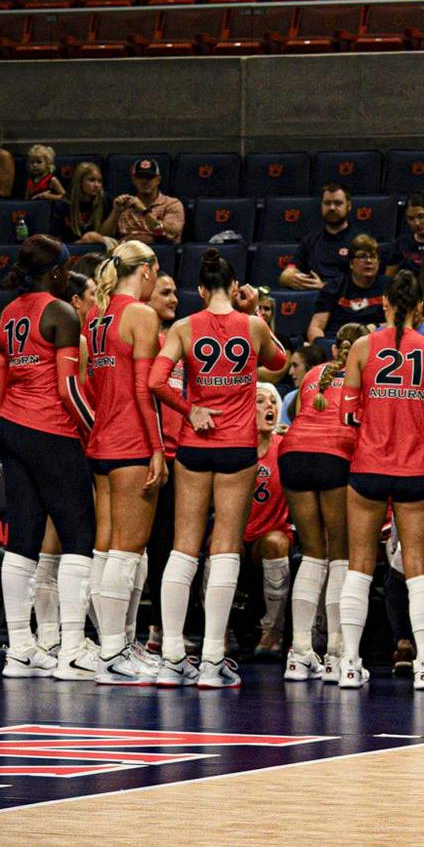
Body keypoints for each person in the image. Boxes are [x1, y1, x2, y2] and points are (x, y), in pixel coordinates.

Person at [150, 251, 286, 689]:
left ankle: (172, 655)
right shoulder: (253, 326)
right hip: (237, 448)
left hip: (194, 444)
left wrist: (190, 410)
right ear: (235, 286)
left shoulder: (184, 327)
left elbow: (154, 381)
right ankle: (212, 659)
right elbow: (280, 361)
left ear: (202, 290)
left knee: (183, 548)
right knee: (225, 547)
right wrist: (252, 311)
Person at [334, 270, 424, 689]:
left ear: (384, 303)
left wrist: (375, 422)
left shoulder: (363, 347)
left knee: (359, 566)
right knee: (418, 569)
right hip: (414, 468)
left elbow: (347, 413)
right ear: (420, 307)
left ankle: (349, 663)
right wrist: (415, 423)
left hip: (368, 465)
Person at [0, 235, 95, 680]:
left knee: (23, 539)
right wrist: (94, 432)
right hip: (52, 430)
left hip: (10, 429)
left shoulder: (5, 314)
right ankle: (72, 650)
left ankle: (20, 649)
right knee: (78, 535)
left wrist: (19, 415)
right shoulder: (61, 312)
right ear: (57, 271)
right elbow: (70, 390)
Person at [81, 240, 167, 684]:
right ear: (148, 271)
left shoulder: (96, 315)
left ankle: (115, 646)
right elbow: (144, 389)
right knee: (128, 550)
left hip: (101, 439)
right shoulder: (141, 314)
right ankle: (115, 651)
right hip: (132, 440)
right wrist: (156, 446)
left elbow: (91, 385)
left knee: (107, 546)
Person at [278, 322, 365, 682]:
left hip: (293, 455)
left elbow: (299, 415)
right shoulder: (367, 378)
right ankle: (336, 654)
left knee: (312, 555)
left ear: (335, 350)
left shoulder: (315, 373)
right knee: (340, 555)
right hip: (335, 455)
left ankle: (298, 655)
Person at [245, 383, 293, 660]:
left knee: (275, 543)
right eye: (260, 401)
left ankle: (273, 631)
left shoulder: (285, 446)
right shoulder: (237, 446)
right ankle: (219, 632)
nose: (269, 407)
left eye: (273, 402)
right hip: (237, 533)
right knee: (218, 545)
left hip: (272, 531)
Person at [307, 233, 387, 341]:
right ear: (351, 263)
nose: (368, 261)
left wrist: (377, 327)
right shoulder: (334, 287)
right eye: (362, 256)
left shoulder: (389, 287)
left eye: (373, 256)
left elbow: (399, 323)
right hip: (336, 342)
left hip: (374, 342)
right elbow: (316, 326)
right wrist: (323, 347)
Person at [280, 183, 357, 290]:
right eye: (327, 203)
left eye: (338, 203)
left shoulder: (360, 241)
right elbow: (287, 273)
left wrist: (325, 287)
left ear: (349, 206)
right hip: (313, 296)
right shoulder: (310, 240)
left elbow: (363, 282)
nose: (332, 208)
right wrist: (291, 278)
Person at [103, 158, 184, 245]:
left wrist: (144, 211)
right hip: (125, 251)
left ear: (158, 180)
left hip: (157, 251)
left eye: (150, 177)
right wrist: (116, 211)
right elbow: (105, 237)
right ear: (134, 180)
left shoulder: (172, 203)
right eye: (140, 177)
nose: (145, 181)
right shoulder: (125, 204)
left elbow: (172, 233)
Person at [388, 192, 424, 278]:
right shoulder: (401, 244)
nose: (417, 223)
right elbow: (389, 278)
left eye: (421, 216)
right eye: (411, 218)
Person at [62, 161, 108, 244]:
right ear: (79, 181)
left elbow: (108, 236)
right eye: (92, 180)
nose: (97, 185)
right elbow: (58, 238)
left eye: (99, 181)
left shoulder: (106, 200)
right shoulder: (64, 204)